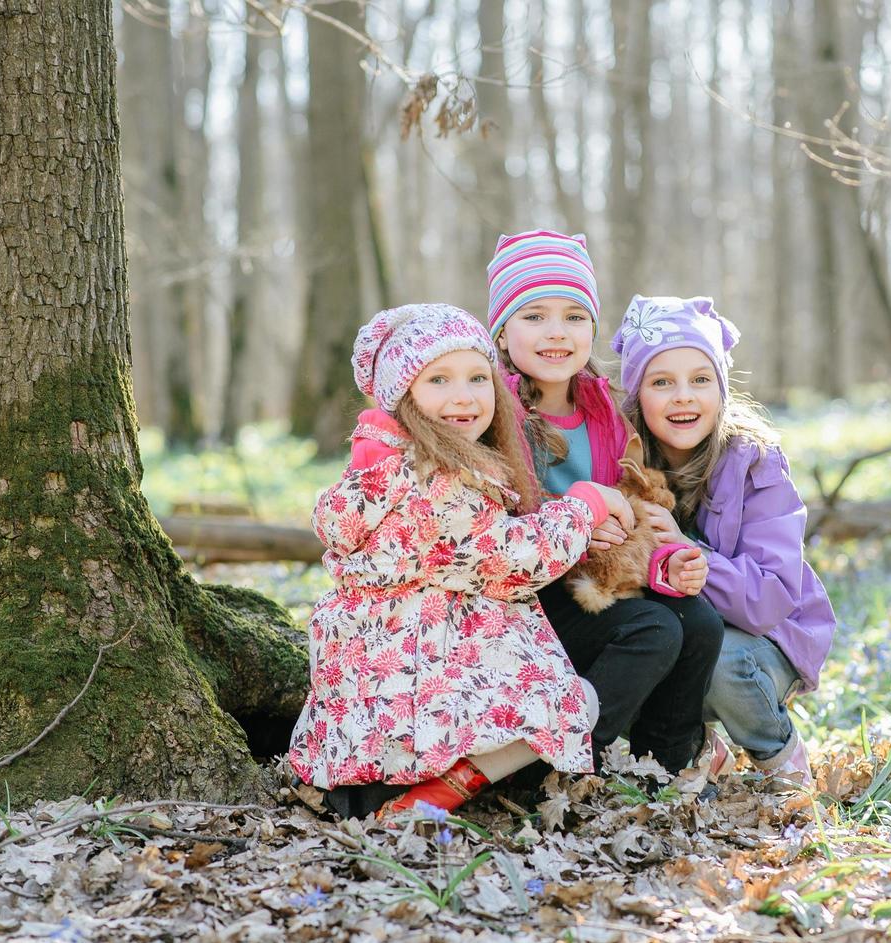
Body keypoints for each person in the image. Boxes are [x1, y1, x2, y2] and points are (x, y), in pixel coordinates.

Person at [287, 303, 634, 819]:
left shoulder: (379, 471)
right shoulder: (435, 479)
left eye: (477, 377)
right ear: (403, 398)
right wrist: (588, 502)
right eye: (439, 381)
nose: (464, 397)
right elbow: (517, 560)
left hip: (369, 715)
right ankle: (442, 792)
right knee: (574, 702)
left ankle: (413, 791)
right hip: (417, 701)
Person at [487, 231, 727, 778]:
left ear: (593, 328)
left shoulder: (604, 407)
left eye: (574, 316)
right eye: (534, 317)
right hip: (527, 595)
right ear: (502, 332)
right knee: (652, 630)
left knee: (699, 622)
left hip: (603, 577)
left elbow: (636, 501)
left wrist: (666, 563)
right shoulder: (494, 408)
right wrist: (573, 526)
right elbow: (497, 518)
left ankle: (662, 763)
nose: (556, 333)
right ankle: (555, 766)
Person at [613, 295, 836, 782]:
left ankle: (781, 759)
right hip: (678, 636)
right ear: (636, 394)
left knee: (726, 662)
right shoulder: (622, 459)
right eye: (661, 382)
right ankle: (693, 745)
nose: (683, 396)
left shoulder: (754, 462)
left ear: (721, 387)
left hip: (765, 639)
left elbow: (770, 600)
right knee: (620, 655)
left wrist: (691, 556)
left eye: (700, 379)